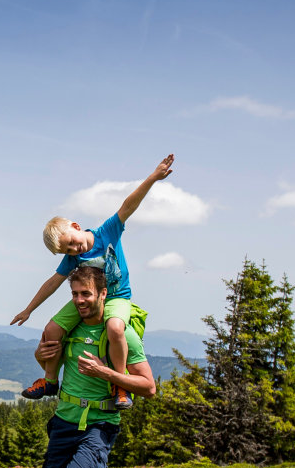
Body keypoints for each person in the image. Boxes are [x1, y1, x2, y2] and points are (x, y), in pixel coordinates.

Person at [11, 154, 174, 410]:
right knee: (52, 329)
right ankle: (50, 381)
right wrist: (29, 309)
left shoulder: (105, 232)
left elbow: (128, 206)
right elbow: (53, 282)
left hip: (118, 295)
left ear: (76, 226)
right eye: (69, 251)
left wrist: (153, 177)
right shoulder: (73, 259)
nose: (75, 250)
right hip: (89, 297)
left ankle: (119, 385)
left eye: (72, 243)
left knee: (116, 328)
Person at [37, 264, 156, 468]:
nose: (79, 300)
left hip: (99, 424)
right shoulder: (69, 328)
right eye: (75, 294)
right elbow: (48, 360)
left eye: (86, 293)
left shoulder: (121, 332)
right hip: (64, 420)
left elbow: (149, 387)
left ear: (103, 293)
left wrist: (107, 372)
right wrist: (42, 356)